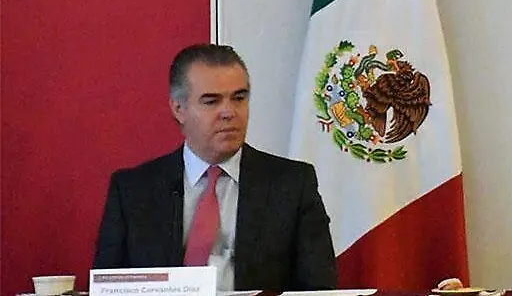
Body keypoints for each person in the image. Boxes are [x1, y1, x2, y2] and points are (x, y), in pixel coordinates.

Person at [94, 44, 338, 290]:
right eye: (211, 101)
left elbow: (320, 289)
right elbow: (107, 287)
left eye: (239, 98)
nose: (229, 112)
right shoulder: (132, 191)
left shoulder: (292, 185)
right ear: (179, 109)